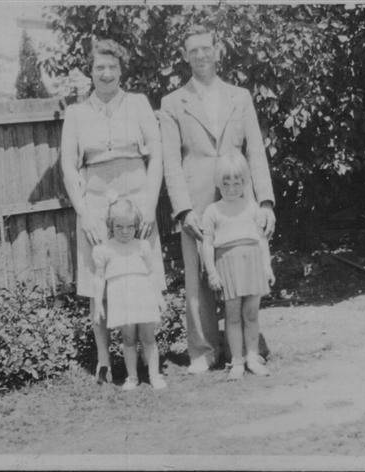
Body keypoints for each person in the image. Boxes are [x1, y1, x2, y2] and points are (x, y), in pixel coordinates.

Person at [159, 25, 276, 373]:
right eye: (193, 50)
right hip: (195, 199)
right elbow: (170, 161)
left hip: (239, 198)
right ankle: (204, 350)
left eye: (206, 48)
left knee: (244, 269)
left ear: (217, 50)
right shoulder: (172, 102)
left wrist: (266, 201)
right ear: (184, 56)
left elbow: (256, 150)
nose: (200, 55)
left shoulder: (240, 97)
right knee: (198, 273)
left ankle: (247, 349)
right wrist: (182, 208)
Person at [60, 39, 165, 384]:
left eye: (112, 67)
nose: (106, 74)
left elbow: (157, 157)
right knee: (97, 282)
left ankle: (148, 357)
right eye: (99, 67)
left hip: (136, 201)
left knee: (141, 273)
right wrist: (84, 213)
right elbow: (68, 167)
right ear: (90, 71)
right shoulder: (76, 113)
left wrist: (149, 204)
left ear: (122, 71)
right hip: (94, 203)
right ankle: (105, 360)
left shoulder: (137, 104)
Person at [201, 154, 275, 380]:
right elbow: (207, 243)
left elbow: (261, 240)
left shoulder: (252, 207)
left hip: (252, 264)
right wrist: (212, 271)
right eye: (226, 183)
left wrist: (267, 266)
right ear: (217, 183)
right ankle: (237, 361)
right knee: (232, 316)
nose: (232, 188)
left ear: (245, 182)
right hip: (228, 266)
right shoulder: (213, 211)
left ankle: (253, 357)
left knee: (251, 314)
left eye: (237, 183)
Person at [92, 197, 167, 390]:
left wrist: (158, 297)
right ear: (110, 225)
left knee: (148, 338)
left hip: (142, 296)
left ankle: (154, 375)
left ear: (136, 225)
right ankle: (132, 377)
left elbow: (152, 273)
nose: (125, 232)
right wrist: (99, 303)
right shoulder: (105, 250)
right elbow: (99, 278)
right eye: (119, 227)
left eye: (130, 226)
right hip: (121, 299)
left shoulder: (142, 246)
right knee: (128, 339)